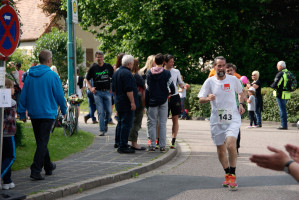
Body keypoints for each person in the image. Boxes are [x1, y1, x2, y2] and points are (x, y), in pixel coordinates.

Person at [18, 49, 67, 180]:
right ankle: (35, 170)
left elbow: (24, 95)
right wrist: (64, 110)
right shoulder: (52, 75)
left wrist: (22, 112)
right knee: (42, 142)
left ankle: (49, 166)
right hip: (47, 113)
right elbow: (60, 95)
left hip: (34, 113)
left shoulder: (30, 75)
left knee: (41, 141)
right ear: (49, 60)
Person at [198, 56, 245, 190]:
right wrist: (208, 98)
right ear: (214, 67)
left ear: (226, 67)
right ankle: (227, 174)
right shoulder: (209, 82)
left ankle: (233, 176)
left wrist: (241, 104)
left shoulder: (233, 79)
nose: (221, 68)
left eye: (223, 65)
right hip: (217, 118)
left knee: (230, 144)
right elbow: (201, 98)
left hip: (233, 116)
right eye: (219, 66)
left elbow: (241, 92)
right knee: (220, 148)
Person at [146, 53, 175, 152]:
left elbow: (147, 88)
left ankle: (152, 145)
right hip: (163, 100)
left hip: (152, 101)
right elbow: (172, 87)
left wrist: (147, 102)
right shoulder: (167, 73)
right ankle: (162, 146)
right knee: (162, 123)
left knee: (152, 123)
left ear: (154, 61)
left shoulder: (149, 73)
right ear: (163, 62)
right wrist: (170, 93)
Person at [112, 55, 138, 154]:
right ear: (130, 64)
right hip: (126, 102)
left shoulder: (116, 72)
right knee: (126, 124)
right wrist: (132, 102)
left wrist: (117, 99)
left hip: (119, 101)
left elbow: (113, 90)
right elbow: (129, 90)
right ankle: (123, 145)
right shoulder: (127, 74)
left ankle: (118, 142)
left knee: (120, 123)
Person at [86, 51, 114, 136]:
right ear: (95, 58)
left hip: (107, 92)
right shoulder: (93, 68)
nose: (99, 59)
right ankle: (102, 130)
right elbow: (86, 79)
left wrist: (112, 88)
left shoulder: (108, 66)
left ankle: (105, 123)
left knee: (109, 111)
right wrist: (91, 88)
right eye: (98, 57)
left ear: (103, 58)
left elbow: (113, 77)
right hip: (97, 92)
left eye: (101, 57)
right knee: (100, 111)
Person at [164, 54, 185, 149]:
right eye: (170, 61)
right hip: (164, 96)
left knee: (175, 118)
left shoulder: (176, 71)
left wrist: (183, 86)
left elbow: (180, 82)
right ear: (165, 62)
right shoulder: (161, 71)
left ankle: (173, 140)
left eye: (173, 61)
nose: (172, 63)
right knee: (162, 119)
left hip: (175, 96)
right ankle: (159, 140)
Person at [1, 79, 17, 190]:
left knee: (4, 157)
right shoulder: (12, 103)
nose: (13, 89)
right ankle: (2, 176)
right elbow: (9, 119)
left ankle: (7, 180)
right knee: (11, 156)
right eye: (11, 87)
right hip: (8, 133)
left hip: (3, 134)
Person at [225, 63, 243, 154]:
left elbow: (241, 93)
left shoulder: (237, 81)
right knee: (225, 128)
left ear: (234, 71)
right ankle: (227, 147)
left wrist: (240, 104)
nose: (229, 72)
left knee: (236, 128)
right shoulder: (221, 81)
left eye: (230, 70)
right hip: (224, 109)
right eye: (227, 71)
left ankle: (236, 147)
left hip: (235, 107)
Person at [128, 59, 146, 150]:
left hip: (130, 99)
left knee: (131, 120)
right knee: (137, 121)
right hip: (138, 99)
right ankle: (134, 143)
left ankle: (129, 141)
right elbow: (144, 86)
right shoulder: (136, 76)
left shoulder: (127, 74)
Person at [270, 61, 291, 130]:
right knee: (283, 110)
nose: (277, 67)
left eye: (277, 66)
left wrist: (272, 86)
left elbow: (276, 83)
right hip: (287, 94)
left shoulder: (281, 73)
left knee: (282, 110)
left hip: (280, 94)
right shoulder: (289, 73)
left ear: (280, 66)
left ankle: (283, 125)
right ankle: (284, 124)